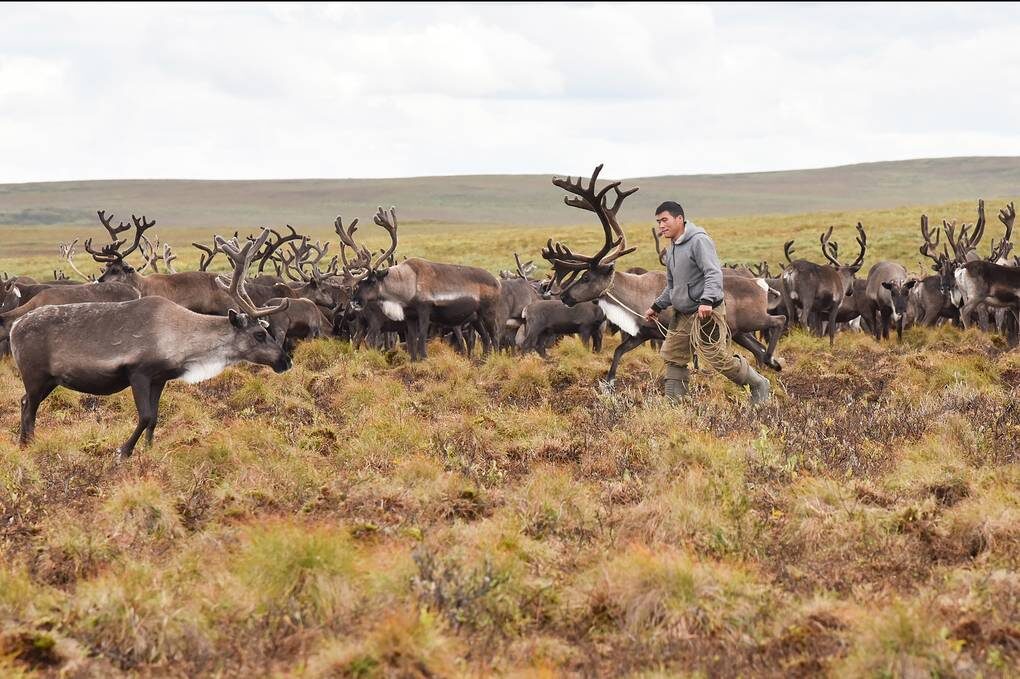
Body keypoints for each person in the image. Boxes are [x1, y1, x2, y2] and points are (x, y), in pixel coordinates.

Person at [643, 201, 771, 405]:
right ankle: (675, 405)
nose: (661, 226)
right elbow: (673, 285)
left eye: (665, 220)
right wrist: (657, 306)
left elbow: (713, 273)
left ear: (679, 219)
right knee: (674, 356)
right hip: (683, 314)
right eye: (658, 222)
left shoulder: (699, 241)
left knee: (717, 357)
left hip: (706, 312)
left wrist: (707, 301)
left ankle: (758, 384)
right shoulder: (673, 247)